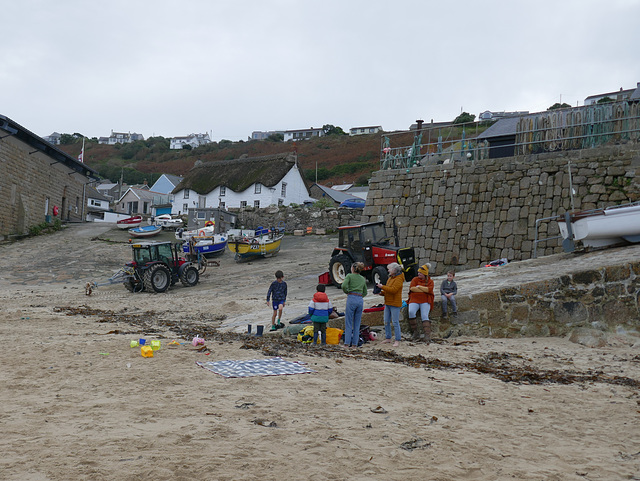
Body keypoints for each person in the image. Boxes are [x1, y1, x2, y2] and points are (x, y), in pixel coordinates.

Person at [375, 262, 405, 347]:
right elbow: (388, 290)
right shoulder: (390, 278)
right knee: (386, 321)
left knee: (395, 322)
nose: (388, 270)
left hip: (395, 303)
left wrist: (382, 287)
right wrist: (380, 292)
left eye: (389, 269)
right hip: (388, 302)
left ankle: (397, 339)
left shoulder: (399, 279)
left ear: (394, 270)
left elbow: (393, 290)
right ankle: (388, 338)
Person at [341, 262, 367, 348]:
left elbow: (344, 285)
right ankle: (355, 344)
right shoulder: (362, 278)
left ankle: (347, 343)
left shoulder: (349, 276)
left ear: (353, 268)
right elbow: (365, 292)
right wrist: (360, 296)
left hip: (352, 297)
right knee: (357, 323)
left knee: (348, 322)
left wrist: (347, 291)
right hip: (360, 299)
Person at [407, 263, 435, 342]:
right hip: (414, 299)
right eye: (418, 272)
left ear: (424, 274)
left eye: (420, 273)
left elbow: (429, 290)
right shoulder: (414, 279)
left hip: (425, 300)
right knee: (411, 312)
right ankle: (415, 332)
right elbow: (412, 289)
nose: (418, 274)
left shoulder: (430, 281)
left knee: (424, 316)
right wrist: (423, 289)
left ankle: (427, 335)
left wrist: (420, 287)